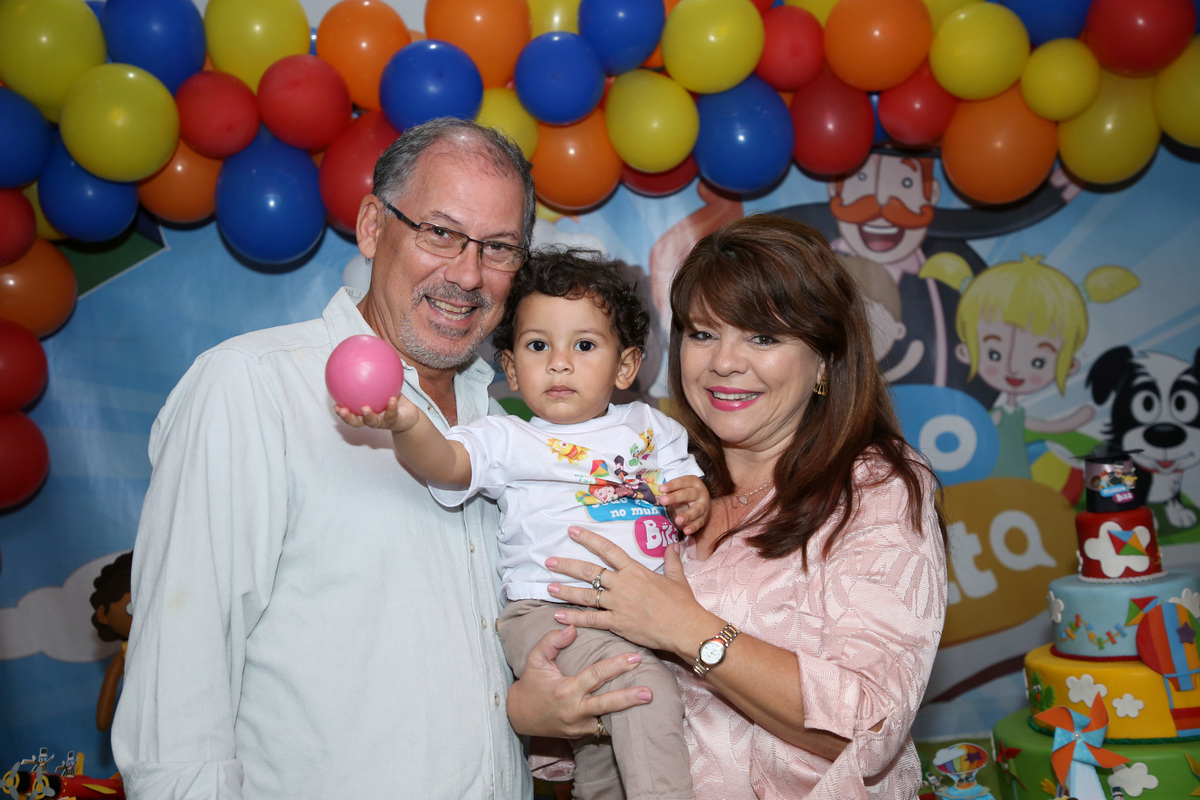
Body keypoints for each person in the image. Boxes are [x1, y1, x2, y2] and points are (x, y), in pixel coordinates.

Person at [112, 119, 645, 799]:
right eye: (440, 233)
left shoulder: (514, 428)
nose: (468, 274)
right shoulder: (253, 387)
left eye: (499, 248)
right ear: (372, 226)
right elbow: (179, 681)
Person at [509, 214, 950, 798]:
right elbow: (609, 698)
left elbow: (872, 722)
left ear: (824, 359)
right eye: (703, 333)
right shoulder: (655, 477)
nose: (724, 362)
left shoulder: (871, 487)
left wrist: (684, 627)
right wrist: (537, 712)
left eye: (763, 337)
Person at [337, 249, 710, 800]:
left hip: (638, 615)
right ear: (511, 368)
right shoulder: (509, 437)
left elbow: (685, 484)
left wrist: (692, 497)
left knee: (606, 746)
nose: (559, 363)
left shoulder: (649, 426)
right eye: (538, 346)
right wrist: (408, 424)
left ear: (626, 366)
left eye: (584, 346)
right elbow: (447, 463)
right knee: (642, 691)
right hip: (552, 614)